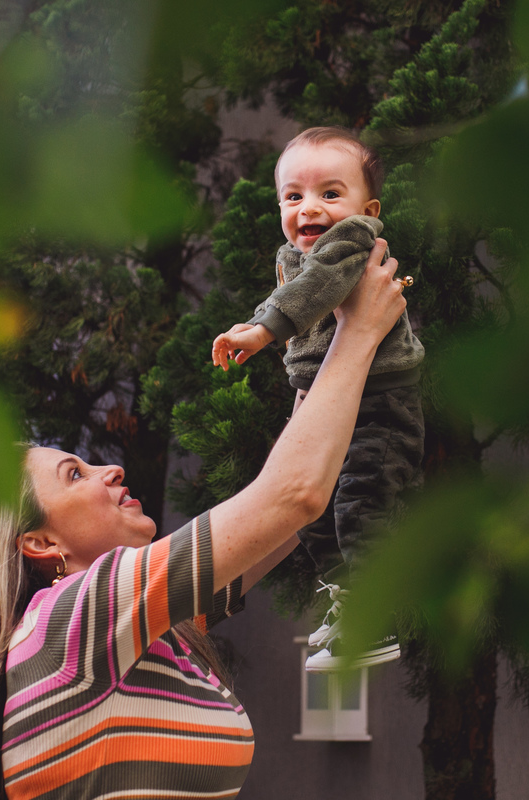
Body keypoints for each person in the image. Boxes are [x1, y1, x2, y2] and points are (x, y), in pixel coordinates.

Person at [0, 241, 408, 800]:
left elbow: (282, 517)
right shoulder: (74, 619)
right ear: (38, 541)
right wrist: (358, 333)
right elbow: (293, 496)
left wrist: (318, 336)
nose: (109, 469)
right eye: (74, 475)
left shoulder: (141, 633)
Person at [211, 127, 425, 672]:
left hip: (380, 404)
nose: (310, 208)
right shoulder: (294, 253)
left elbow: (316, 289)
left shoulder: (353, 241)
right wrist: (256, 321)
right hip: (328, 400)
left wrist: (262, 334)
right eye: (294, 196)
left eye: (331, 193)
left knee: (360, 504)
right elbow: (290, 293)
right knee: (310, 513)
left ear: (366, 207)